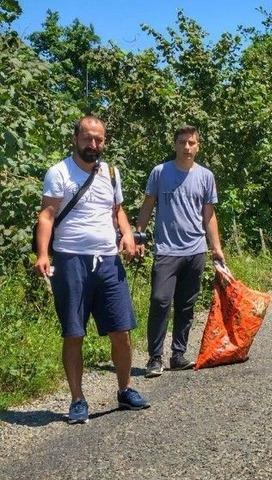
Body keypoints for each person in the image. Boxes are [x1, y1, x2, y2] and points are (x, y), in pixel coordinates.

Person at [33, 115, 150, 424]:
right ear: (76, 138)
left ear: (104, 142)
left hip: (109, 261)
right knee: (74, 333)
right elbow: (47, 215)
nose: (93, 144)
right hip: (71, 260)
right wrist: (43, 253)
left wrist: (126, 234)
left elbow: (117, 211)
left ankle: (125, 390)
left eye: (98, 139)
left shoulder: (112, 173)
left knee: (121, 330)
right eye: (87, 138)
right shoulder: (59, 172)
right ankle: (77, 400)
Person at [136, 125, 224, 378]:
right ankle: (154, 357)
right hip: (166, 250)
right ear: (174, 144)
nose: (187, 147)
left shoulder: (206, 176)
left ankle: (178, 354)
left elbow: (209, 214)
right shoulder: (160, 172)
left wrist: (215, 248)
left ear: (198, 146)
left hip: (195, 250)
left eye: (192, 143)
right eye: (182, 142)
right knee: (160, 301)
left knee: (186, 305)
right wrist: (139, 236)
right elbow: (147, 205)